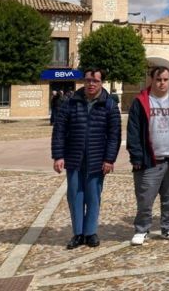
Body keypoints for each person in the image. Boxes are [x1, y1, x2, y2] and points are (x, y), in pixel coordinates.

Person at [51, 67, 121, 249]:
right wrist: (58, 155)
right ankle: (78, 233)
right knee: (75, 196)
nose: (91, 84)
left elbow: (114, 136)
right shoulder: (70, 102)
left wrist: (109, 159)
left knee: (93, 196)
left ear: (101, 83)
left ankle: (90, 232)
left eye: (95, 81)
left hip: (97, 159)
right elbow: (59, 130)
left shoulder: (110, 105)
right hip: (74, 157)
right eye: (88, 80)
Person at [127, 65, 169, 245]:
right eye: (158, 79)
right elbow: (133, 132)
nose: (162, 83)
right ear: (151, 80)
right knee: (145, 198)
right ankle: (142, 229)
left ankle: (168, 228)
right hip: (149, 160)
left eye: (165, 79)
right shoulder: (141, 102)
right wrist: (136, 156)